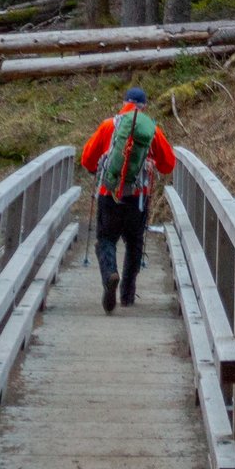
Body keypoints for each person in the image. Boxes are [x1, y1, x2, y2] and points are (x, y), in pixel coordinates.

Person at [79, 85, 176, 313]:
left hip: (108, 194)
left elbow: (87, 159)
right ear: (144, 107)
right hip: (138, 198)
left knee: (106, 239)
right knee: (134, 243)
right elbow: (169, 164)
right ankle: (128, 294)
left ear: (124, 103)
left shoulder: (108, 126)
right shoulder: (151, 130)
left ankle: (110, 275)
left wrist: (100, 170)